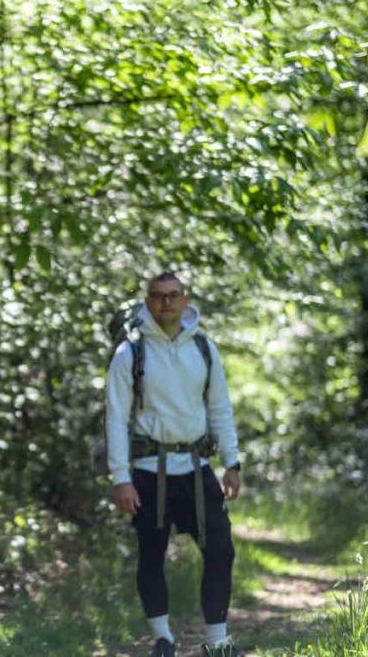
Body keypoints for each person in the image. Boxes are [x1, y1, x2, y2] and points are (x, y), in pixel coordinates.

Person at [106, 272, 243, 657]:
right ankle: (162, 638)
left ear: (185, 300)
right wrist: (120, 477)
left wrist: (232, 462)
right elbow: (115, 417)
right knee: (151, 552)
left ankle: (216, 642)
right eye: (157, 296)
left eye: (172, 296)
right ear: (148, 301)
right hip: (149, 471)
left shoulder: (202, 348)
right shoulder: (130, 353)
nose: (165, 303)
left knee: (220, 549)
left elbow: (220, 407)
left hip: (197, 468)